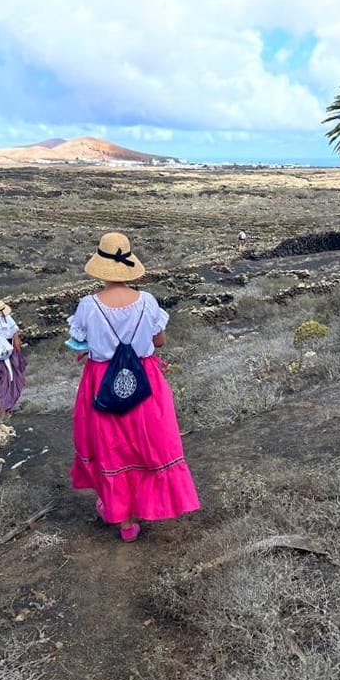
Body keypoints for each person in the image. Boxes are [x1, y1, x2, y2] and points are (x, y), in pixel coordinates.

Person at [68, 232, 200, 542]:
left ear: (100, 266)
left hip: (101, 382)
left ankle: (124, 520)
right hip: (145, 380)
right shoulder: (148, 301)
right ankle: (143, 508)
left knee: (111, 446)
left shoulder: (88, 306)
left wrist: (97, 347)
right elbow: (158, 341)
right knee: (147, 444)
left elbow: (81, 341)